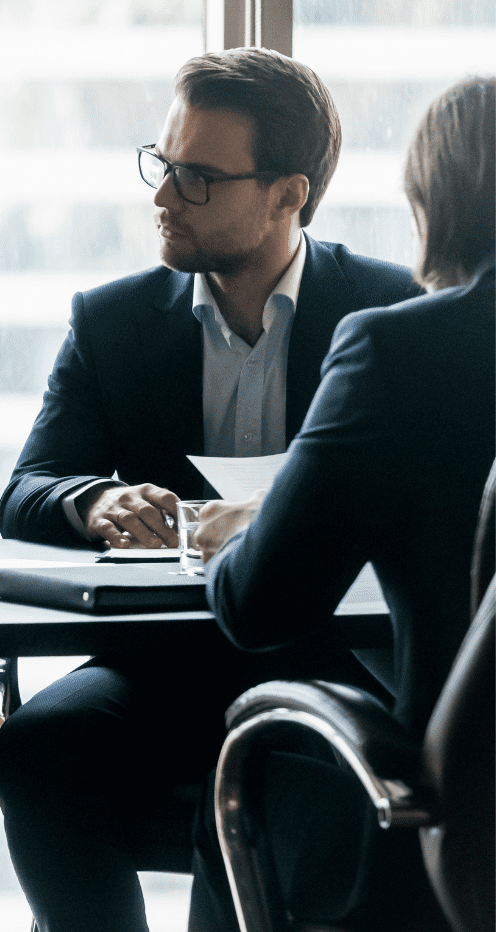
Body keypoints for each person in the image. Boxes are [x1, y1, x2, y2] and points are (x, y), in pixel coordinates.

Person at [0, 48, 423, 932]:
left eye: (195, 179)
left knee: (286, 764)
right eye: (162, 164)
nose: (162, 197)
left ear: (288, 194)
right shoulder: (110, 321)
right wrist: (91, 502)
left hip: (331, 662)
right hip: (161, 664)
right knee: (34, 748)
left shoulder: (386, 314)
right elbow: (25, 489)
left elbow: (430, 500)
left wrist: (293, 516)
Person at [187, 76, 495, 931]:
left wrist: (253, 522)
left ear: (434, 204)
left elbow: (260, 604)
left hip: (460, 819)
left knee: (242, 787)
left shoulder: (401, 351)